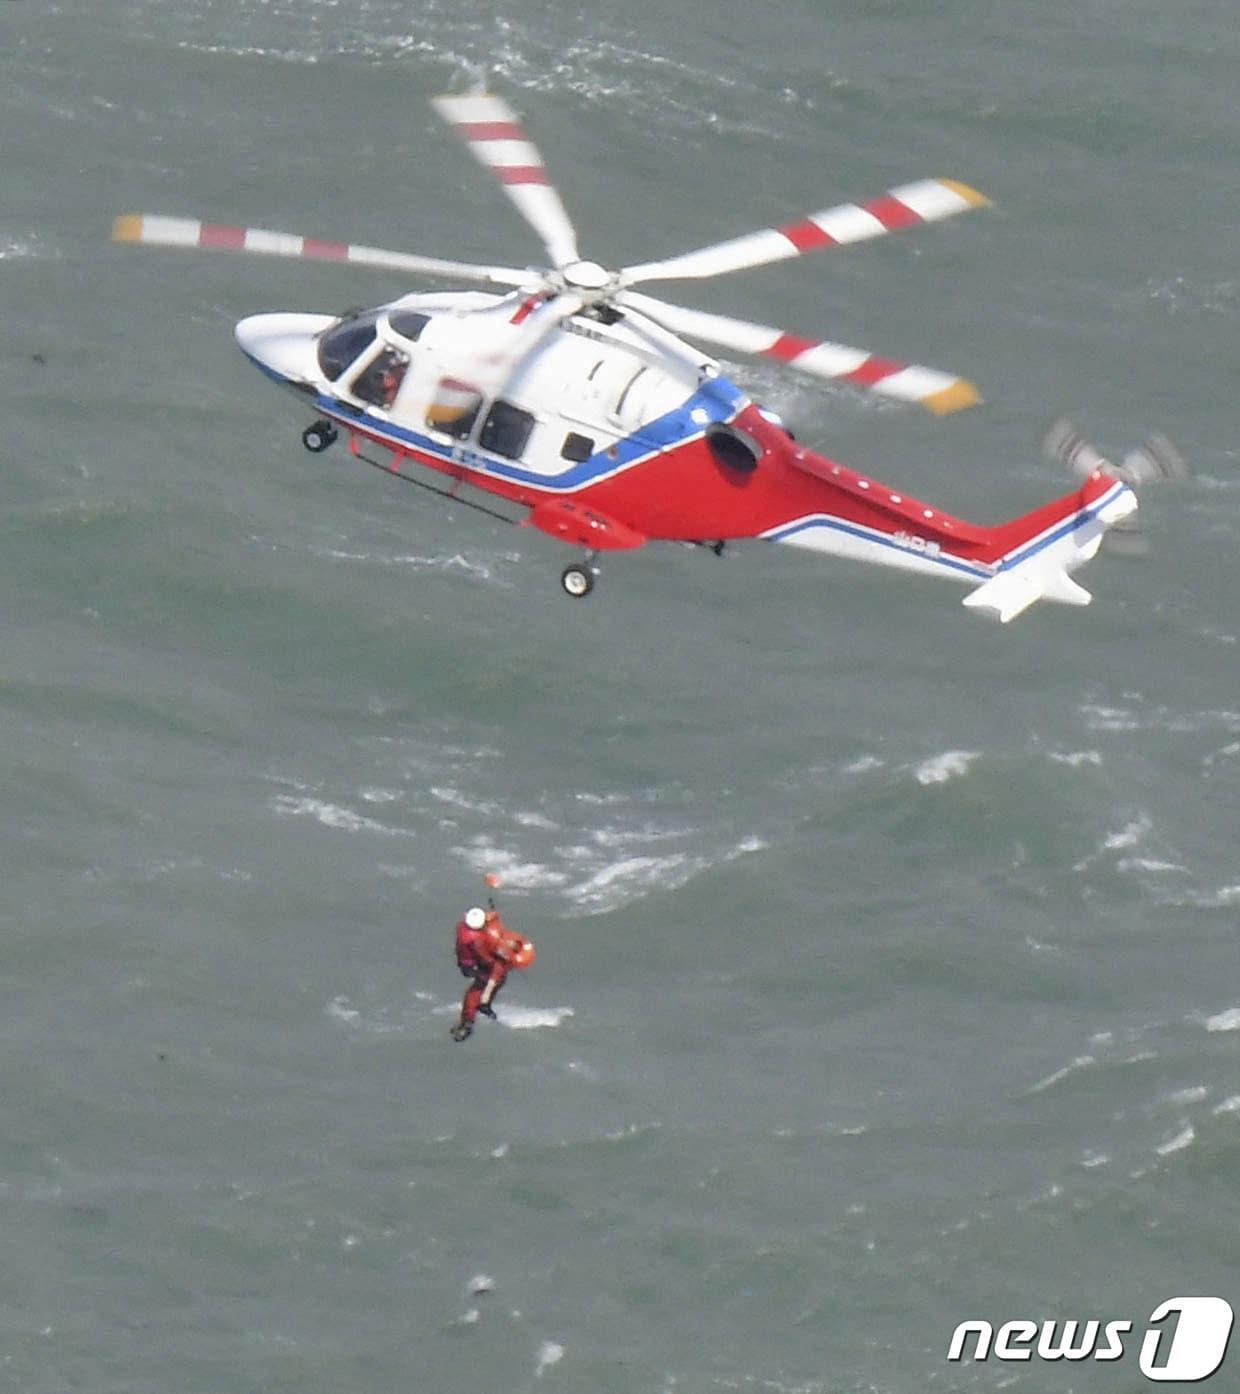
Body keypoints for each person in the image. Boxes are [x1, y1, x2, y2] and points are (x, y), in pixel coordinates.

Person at [451, 904, 535, 1042]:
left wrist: (493, 913)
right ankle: (468, 1022)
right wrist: (498, 960)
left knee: (493, 982)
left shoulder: (462, 927)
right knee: (477, 991)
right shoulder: (475, 940)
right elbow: (484, 956)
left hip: (468, 961)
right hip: (474, 965)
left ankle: (483, 1006)